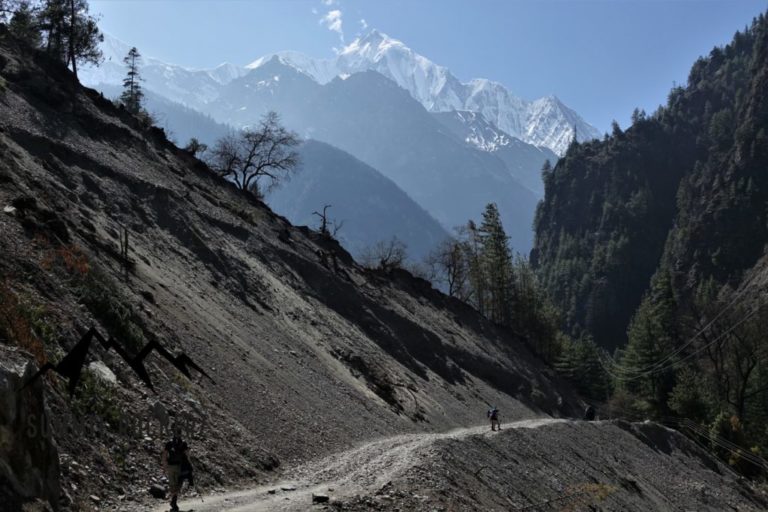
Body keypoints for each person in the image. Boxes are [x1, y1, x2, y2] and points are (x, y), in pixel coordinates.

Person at [162, 425, 189, 512]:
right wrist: (189, 465)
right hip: (179, 467)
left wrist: (164, 465)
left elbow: (164, 454)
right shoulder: (183, 443)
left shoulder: (169, 443)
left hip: (170, 466)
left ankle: (173, 502)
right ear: (181, 434)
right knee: (179, 484)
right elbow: (187, 455)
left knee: (172, 484)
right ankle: (174, 501)